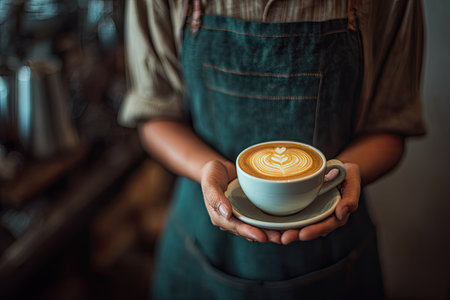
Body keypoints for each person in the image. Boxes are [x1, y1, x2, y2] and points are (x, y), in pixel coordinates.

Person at [119, 1, 426, 299]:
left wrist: (344, 172)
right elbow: (154, 114)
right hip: (202, 242)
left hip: (334, 253)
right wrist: (206, 169)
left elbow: (391, 125)